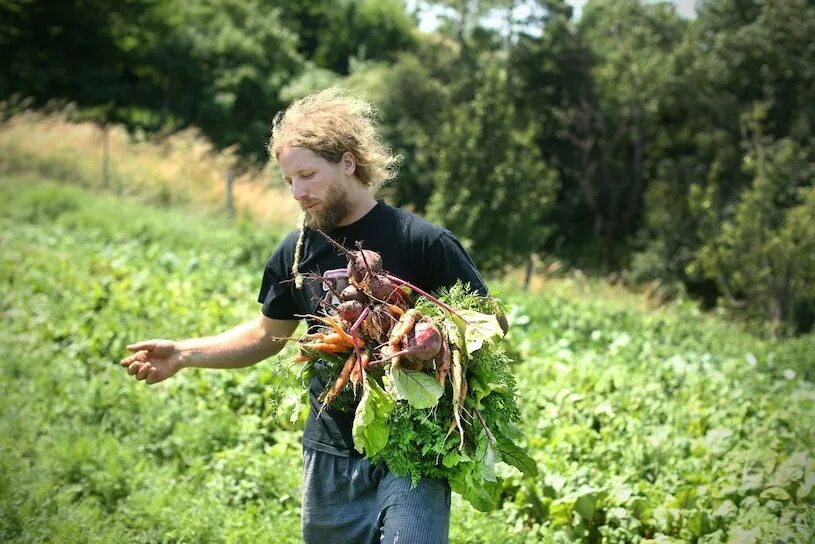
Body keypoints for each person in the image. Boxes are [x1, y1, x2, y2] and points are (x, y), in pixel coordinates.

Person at [120, 89, 490, 544]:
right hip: (331, 450)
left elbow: (485, 325)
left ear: (349, 163)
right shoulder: (294, 255)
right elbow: (264, 336)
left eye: (308, 175)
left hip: (413, 447)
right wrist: (183, 353)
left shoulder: (423, 242)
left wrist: (427, 340)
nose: (298, 192)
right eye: (289, 181)